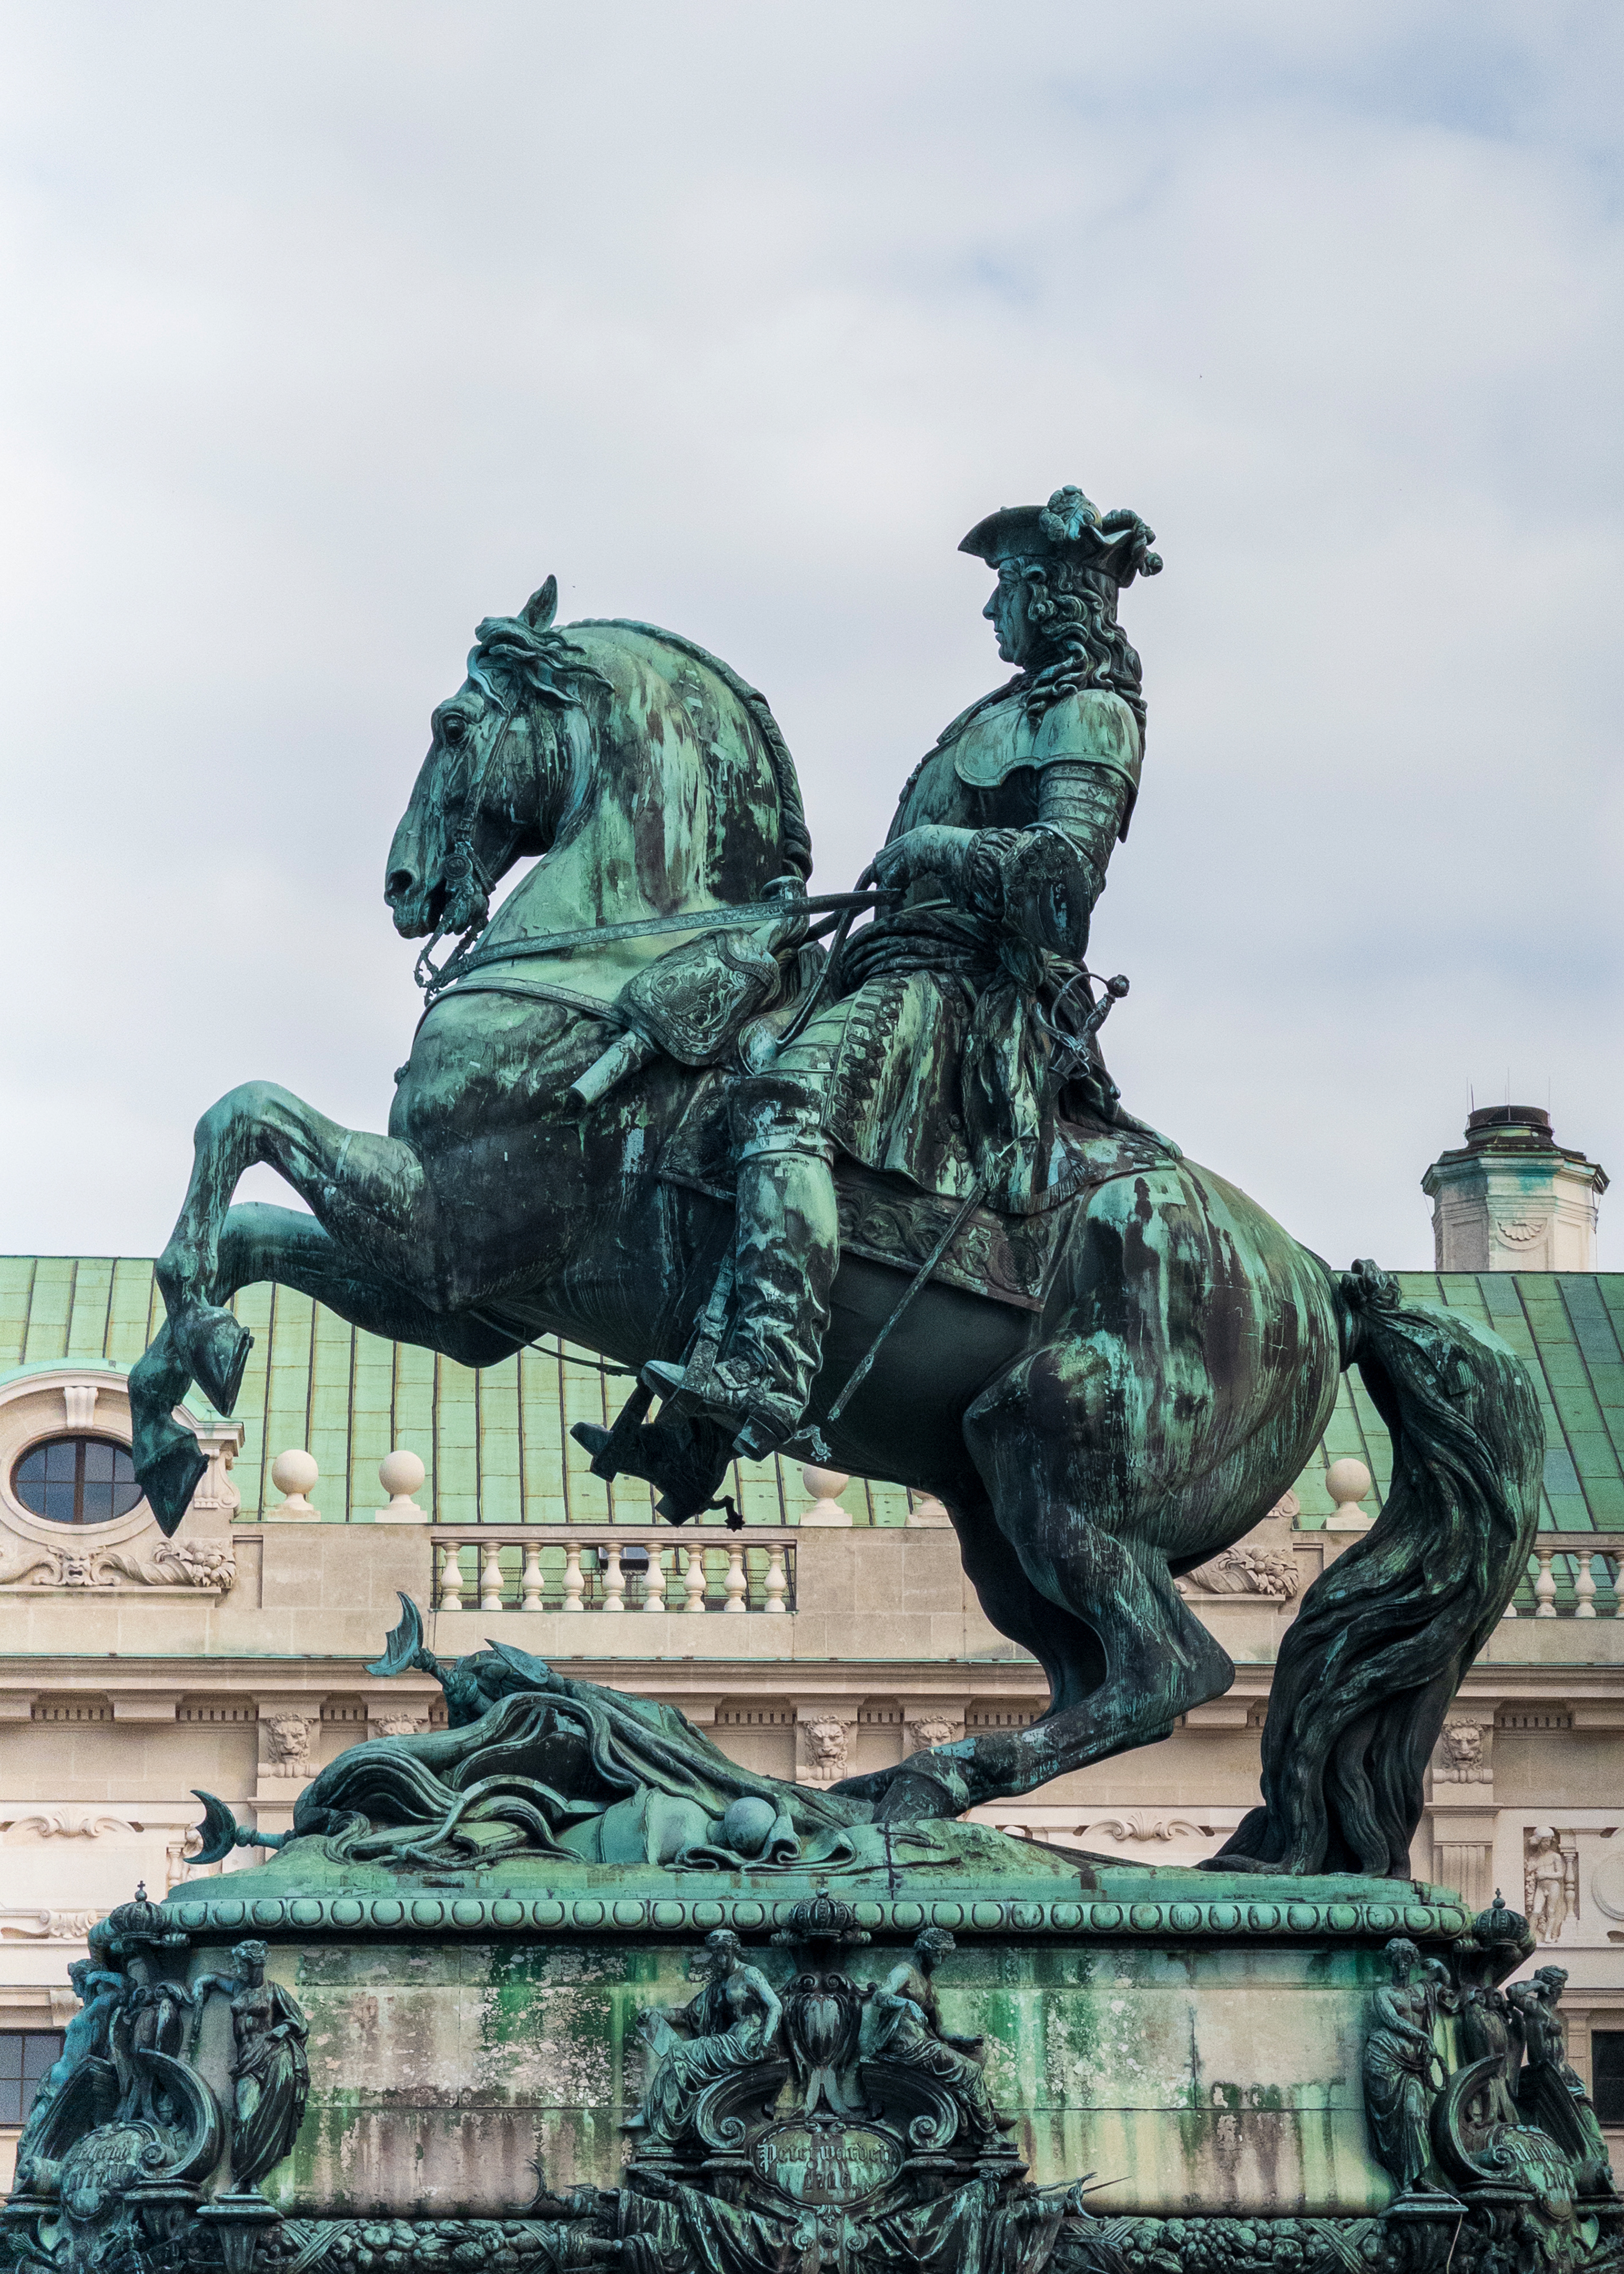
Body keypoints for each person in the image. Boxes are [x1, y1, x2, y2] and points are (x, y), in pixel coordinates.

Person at [645, 484, 1161, 1456]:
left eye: (1005, 583)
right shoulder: (998, 713)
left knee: (782, 1101)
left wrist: (940, 847)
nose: (988, 606)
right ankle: (686, 1427)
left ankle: (766, 1370)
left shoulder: (1091, 715)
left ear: (1051, 596)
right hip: (889, 970)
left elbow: (1063, 886)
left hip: (965, 996)